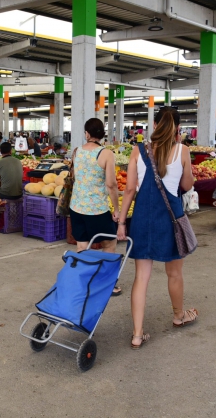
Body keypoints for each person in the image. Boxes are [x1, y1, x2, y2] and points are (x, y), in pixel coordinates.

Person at [117, 107, 198, 350]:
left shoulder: (138, 150)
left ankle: (137, 334)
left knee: (141, 277)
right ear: (177, 128)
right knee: (174, 273)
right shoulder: (182, 150)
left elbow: (129, 190)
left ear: (154, 125)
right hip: (170, 218)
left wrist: (121, 222)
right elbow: (187, 184)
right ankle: (178, 315)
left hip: (142, 217)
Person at [69, 118, 122, 297]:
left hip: (76, 207)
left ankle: (84, 282)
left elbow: (76, 176)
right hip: (97, 209)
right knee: (109, 244)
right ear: (102, 134)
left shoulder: (77, 152)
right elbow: (111, 184)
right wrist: (116, 208)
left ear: (87, 133)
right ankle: (108, 284)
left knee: (83, 246)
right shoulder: (106, 153)